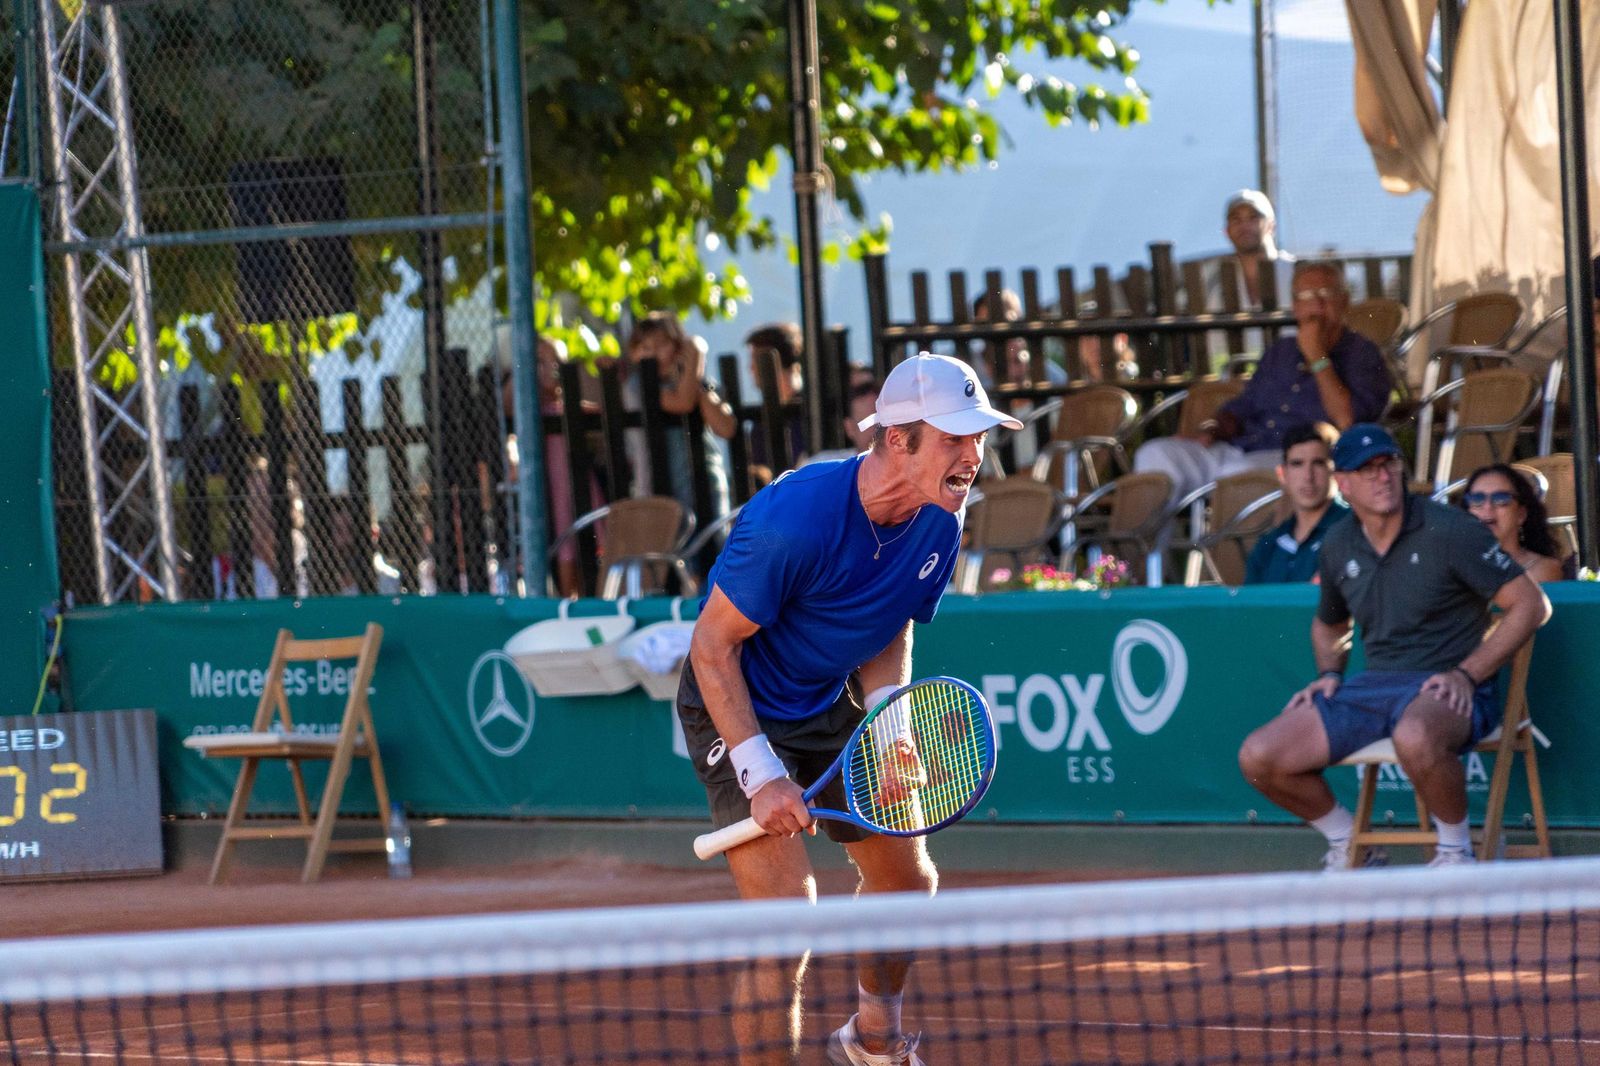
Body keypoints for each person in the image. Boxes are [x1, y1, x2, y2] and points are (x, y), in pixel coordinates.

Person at [678, 353, 1020, 1066]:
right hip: (736, 700)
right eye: (955, 437)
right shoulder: (794, 521)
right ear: (899, 438)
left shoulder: (941, 519)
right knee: (786, 926)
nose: (974, 454)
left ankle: (872, 1039)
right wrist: (760, 772)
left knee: (906, 882)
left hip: (825, 700)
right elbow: (712, 647)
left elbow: (888, 621)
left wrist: (891, 721)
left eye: (979, 436)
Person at [1237, 424, 1550, 871]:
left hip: (1450, 689)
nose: (1381, 477)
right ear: (1342, 484)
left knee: (1414, 734)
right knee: (1259, 756)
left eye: (1388, 465)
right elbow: (1329, 625)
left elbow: (1531, 605)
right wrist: (1329, 674)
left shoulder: (1451, 530)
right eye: (1366, 470)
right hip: (1372, 689)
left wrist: (1468, 673)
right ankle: (1352, 844)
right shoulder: (1339, 543)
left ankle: (1456, 851)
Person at [1135, 260, 1393, 511]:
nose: (1316, 304)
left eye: (1326, 293)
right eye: (1305, 295)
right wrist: (1211, 430)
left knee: (1240, 475)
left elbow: (1347, 421)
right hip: (1242, 448)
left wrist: (1317, 357)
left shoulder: (1364, 354)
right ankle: (1143, 554)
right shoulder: (1281, 351)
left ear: (1344, 302)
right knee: (1154, 454)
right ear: (1295, 306)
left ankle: (1227, 554)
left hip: (1302, 461)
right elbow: (1245, 405)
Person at [623, 312, 736, 523]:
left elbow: (726, 428)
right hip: (657, 487)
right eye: (646, 347)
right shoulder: (636, 387)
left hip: (705, 483)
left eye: (662, 344)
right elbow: (681, 402)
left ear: (677, 346)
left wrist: (694, 377)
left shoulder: (695, 382)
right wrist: (697, 352)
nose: (654, 353)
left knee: (715, 546)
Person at [1244, 422, 1349, 585]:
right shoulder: (1268, 545)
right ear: (1282, 474)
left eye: (1318, 463)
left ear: (1335, 471)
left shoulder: (1354, 529)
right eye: (1297, 464)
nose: (1308, 476)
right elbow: (1250, 607)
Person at [1460, 464, 1566, 583]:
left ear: (1521, 514)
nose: (1488, 507)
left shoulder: (1542, 569)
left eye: (1501, 499)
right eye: (1477, 499)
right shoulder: (1454, 564)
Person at [744, 322, 808, 476]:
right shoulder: (760, 422)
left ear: (775, 360)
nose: (750, 368)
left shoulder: (811, 411)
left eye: (755, 359)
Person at [803, 379, 882, 466]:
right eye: (865, 423)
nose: (875, 429)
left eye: (880, 420)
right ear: (849, 428)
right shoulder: (822, 467)